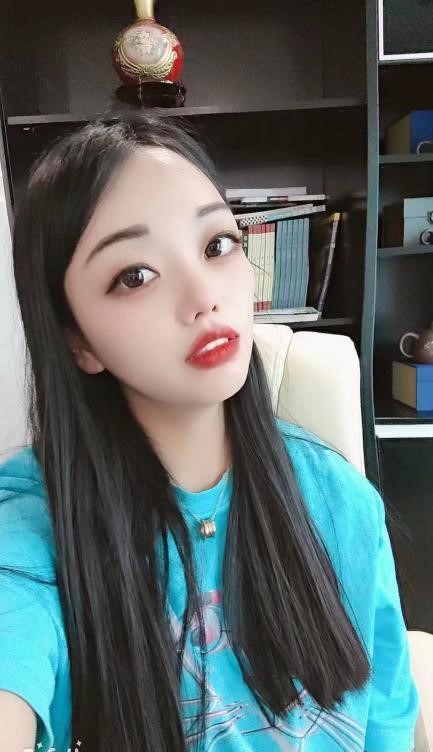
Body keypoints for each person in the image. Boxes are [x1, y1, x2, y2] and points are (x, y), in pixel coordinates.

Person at [0, 111, 419, 752]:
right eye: (135, 276)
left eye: (217, 245)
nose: (204, 296)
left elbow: (387, 722)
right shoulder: (35, 526)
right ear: (76, 339)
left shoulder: (340, 501)